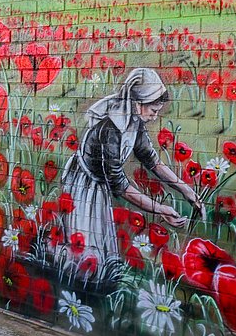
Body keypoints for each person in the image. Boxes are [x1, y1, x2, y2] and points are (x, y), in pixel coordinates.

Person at [61, 67, 204, 269]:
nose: (155, 117)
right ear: (137, 104)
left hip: (99, 185)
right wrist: (159, 208)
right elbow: (119, 184)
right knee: (83, 243)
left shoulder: (133, 122)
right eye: (153, 111)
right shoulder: (111, 129)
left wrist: (186, 190)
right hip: (85, 186)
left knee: (98, 247)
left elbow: (152, 160)